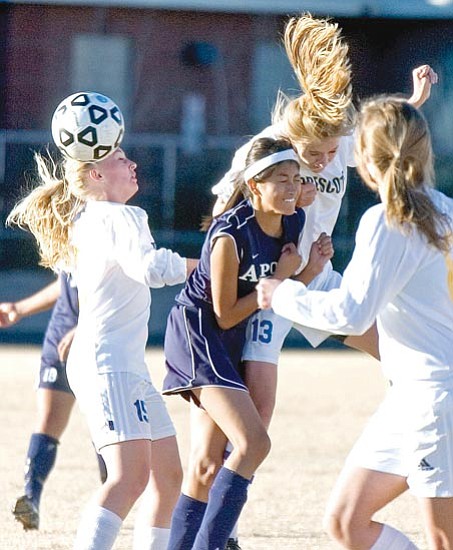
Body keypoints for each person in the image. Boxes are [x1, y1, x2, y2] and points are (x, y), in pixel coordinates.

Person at [212, 13, 437, 547]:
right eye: (315, 154)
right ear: (292, 139)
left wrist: (415, 96)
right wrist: (278, 208)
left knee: (399, 351)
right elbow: (222, 211)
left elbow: (386, 134)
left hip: (317, 278)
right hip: (269, 284)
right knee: (256, 417)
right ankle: (229, 528)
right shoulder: (269, 146)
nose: (328, 159)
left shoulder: (337, 138)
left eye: (334, 150)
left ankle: (429, 423)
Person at [257, 97, 453, 549]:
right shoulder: (439, 211)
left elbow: (351, 313)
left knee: (443, 539)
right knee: (347, 521)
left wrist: (282, 294)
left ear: (365, 158)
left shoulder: (389, 221)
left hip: (435, 398)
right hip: (413, 396)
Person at [7, 146, 198, 550]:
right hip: (109, 363)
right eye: (120, 159)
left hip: (122, 363)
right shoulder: (121, 215)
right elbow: (149, 267)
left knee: (168, 477)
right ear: (95, 175)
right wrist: (211, 266)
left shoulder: (93, 217)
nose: (132, 164)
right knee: (128, 478)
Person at [162, 136, 333, 550]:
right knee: (254, 443)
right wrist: (283, 273)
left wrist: (308, 272)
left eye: (296, 178)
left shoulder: (292, 219)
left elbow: (274, 292)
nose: (293, 188)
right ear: (254, 185)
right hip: (199, 335)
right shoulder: (228, 235)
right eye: (281, 180)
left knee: (205, 468)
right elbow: (224, 313)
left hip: (229, 338)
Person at [0, 274, 107, 531]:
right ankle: (31, 500)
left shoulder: (113, 235)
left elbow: (118, 286)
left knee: (105, 426)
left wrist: (85, 328)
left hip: (101, 342)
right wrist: (20, 308)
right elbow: (67, 281)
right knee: (48, 420)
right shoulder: (70, 238)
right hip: (60, 340)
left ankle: (112, 504)